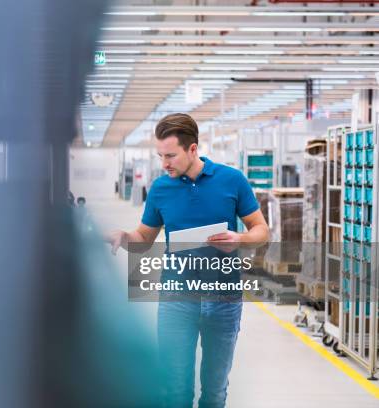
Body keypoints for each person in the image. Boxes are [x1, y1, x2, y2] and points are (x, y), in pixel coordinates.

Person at [106, 113, 269, 408]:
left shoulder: (232, 180)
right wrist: (125, 237)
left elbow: (262, 230)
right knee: (174, 391)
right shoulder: (160, 189)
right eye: (160, 156)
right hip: (176, 301)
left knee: (215, 391)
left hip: (224, 300)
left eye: (170, 155)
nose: (164, 163)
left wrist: (239, 239)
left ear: (192, 149)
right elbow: (144, 237)